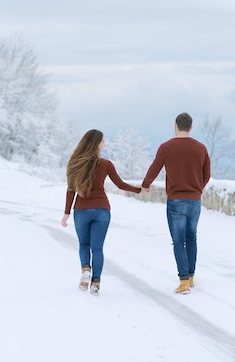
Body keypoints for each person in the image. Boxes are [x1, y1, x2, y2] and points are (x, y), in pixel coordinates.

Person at [61, 129, 141, 296]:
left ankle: (85, 270)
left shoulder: (74, 163)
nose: (105, 144)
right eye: (103, 141)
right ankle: (96, 283)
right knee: (97, 248)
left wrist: (67, 213)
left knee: (84, 244)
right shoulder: (106, 164)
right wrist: (139, 190)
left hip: (81, 211)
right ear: (96, 144)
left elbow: (70, 190)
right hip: (102, 211)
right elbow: (120, 184)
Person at [141, 113, 211, 294]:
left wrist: (145, 185)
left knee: (179, 240)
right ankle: (192, 276)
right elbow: (207, 174)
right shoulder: (200, 148)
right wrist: (198, 189)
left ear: (175, 125)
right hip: (195, 200)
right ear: (191, 127)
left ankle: (184, 281)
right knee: (191, 237)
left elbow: (155, 168)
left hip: (176, 200)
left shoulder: (166, 147)